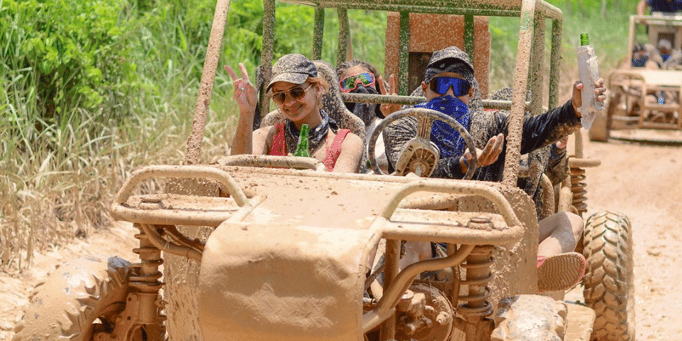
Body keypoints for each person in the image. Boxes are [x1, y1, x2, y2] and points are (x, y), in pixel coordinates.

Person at [383, 46, 606, 290]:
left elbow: (534, 130)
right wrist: (462, 165)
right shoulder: (403, 123)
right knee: (410, 242)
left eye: (458, 88)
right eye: (441, 85)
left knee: (570, 221)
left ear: (470, 92)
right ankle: (401, 306)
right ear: (425, 88)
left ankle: (534, 271)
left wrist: (572, 111)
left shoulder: (490, 124)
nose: (449, 95)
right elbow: (404, 168)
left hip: (489, 236)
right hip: (426, 230)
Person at [228, 54, 364, 173]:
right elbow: (238, 171)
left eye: (297, 92)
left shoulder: (348, 143)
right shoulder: (266, 137)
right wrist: (247, 112)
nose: (289, 103)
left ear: (318, 88)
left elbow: (339, 191)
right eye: (280, 96)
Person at [336, 59, 400, 171]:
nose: (360, 87)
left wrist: (395, 120)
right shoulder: (333, 132)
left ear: (375, 84)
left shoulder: (387, 127)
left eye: (366, 79)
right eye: (349, 83)